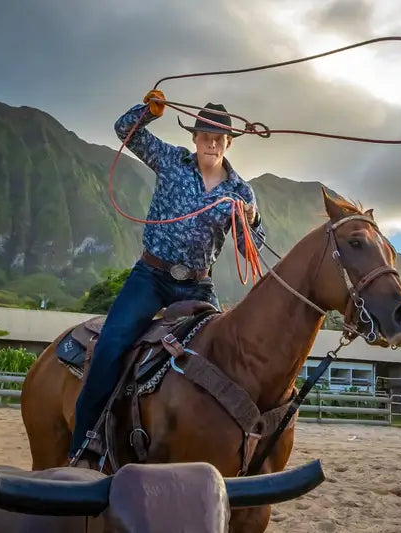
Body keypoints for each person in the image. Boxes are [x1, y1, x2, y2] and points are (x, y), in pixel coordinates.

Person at [68, 90, 267, 467]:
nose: (211, 142)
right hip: (151, 276)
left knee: (222, 360)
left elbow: (250, 248)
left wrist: (252, 219)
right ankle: (85, 443)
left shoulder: (240, 192)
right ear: (194, 138)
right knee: (111, 344)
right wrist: (149, 111)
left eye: (218, 137)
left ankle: (228, 446)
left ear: (228, 143)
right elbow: (125, 130)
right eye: (205, 135)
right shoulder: (172, 160)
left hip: (197, 284)